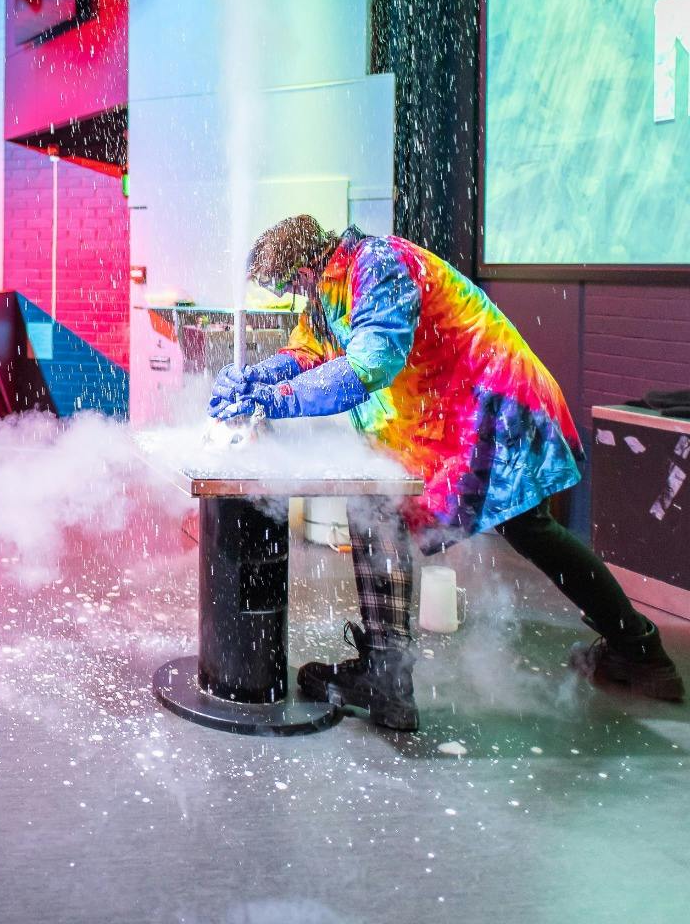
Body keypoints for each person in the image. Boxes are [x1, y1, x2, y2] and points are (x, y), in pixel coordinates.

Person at [210, 216, 685, 730]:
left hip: (491, 404)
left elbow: (370, 365)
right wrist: (258, 376)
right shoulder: (331, 285)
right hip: (447, 416)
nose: (289, 298)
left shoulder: (379, 264)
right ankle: (387, 678)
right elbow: (308, 349)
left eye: (285, 287)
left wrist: (276, 401)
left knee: (528, 528)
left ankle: (640, 653)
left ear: (303, 267)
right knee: (381, 504)